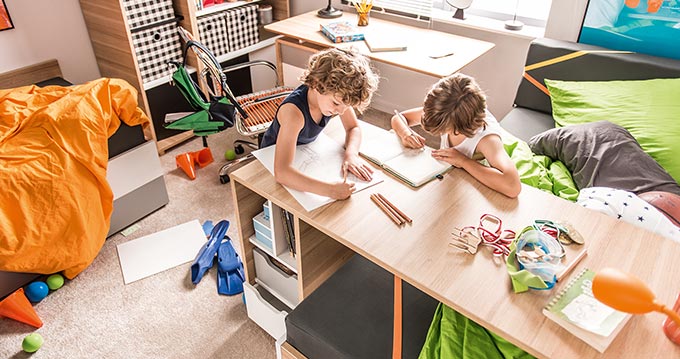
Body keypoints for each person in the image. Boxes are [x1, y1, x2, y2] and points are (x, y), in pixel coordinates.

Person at [259, 48, 379, 200]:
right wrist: (330, 190)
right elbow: (282, 172)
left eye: (346, 107)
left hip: (305, 151)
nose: (341, 112)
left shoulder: (335, 98)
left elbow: (353, 127)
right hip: (271, 160)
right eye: (336, 104)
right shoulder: (294, 114)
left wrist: (351, 154)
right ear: (317, 85)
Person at [391, 73, 521, 198]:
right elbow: (399, 118)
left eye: (445, 129)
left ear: (461, 127)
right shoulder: (446, 110)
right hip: (452, 178)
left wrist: (463, 161)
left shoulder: (486, 139)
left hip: (478, 190)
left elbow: (512, 186)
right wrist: (406, 134)